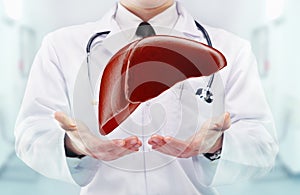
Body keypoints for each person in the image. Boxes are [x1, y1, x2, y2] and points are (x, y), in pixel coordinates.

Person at [14, 0, 278, 194]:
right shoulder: (61, 47)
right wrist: (74, 146)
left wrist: (216, 145)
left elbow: (262, 145)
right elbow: (31, 133)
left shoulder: (231, 49)